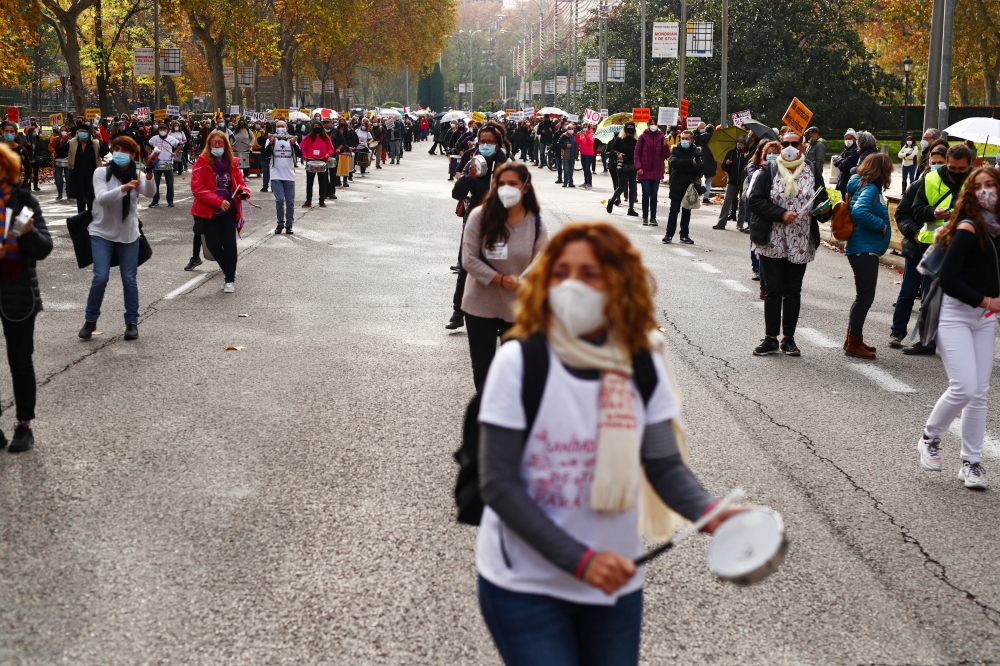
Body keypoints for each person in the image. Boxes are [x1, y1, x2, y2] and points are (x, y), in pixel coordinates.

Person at [476, 221, 745, 666]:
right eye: (561, 272)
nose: (571, 286)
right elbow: (498, 483)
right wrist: (581, 561)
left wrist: (709, 510)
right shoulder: (519, 361)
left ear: (618, 283)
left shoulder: (641, 361)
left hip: (614, 580)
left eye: (590, 274)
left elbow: (662, 464)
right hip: (525, 582)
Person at [917, 166, 1000, 489]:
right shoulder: (967, 227)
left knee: (979, 393)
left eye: (991, 184)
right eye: (978, 186)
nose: (986, 191)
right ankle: (930, 438)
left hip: (984, 320)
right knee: (964, 386)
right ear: (970, 192)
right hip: (955, 315)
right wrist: (987, 301)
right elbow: (948, 280)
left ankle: (972, 463)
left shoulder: (997, 229)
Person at [461, 162, 548, 391]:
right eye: (501, 183)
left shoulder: (536, 223)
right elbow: (468, 259)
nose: (506, 189)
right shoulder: (480, 216)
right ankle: (486, 416)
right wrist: (500, 279)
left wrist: (529, 281)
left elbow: (544, 263)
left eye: (513, 184)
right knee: (484, 371)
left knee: (517, 372)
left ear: (525, 188)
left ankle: (513, 419)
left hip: (518, 307)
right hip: (480, 305)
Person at [748, 131, 822, 356]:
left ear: (801, 146)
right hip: (772, 240)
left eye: (795, 143)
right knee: (773, 289)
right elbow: (755, 201)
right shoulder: (768, 171)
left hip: (800, 241)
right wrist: (781, 214)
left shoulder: (811, 171)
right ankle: (770, 337)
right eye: (786, 143)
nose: (790, 147)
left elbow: (822, 200)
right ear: (780, 146)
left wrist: (826, 210)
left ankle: (789, 338)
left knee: (793, 290)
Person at [0, 141, 52, 452]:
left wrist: (29, 232)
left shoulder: (24, 202)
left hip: (18, 291)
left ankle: (24, 425)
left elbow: (44, 248)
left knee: (20, 361)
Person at [78, 135, 154, 342]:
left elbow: (150, 193)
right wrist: (124, 187)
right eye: (117, 148)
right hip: (101, 232)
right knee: (100, 277)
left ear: (132, 155)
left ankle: (131, 323)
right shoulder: (101, 172)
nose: (121, 153)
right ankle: (90, 319)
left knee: (129, 279)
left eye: (126, 150)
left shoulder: (136, 173)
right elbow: (102, 198)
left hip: (128, 234)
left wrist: (149, 175)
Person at [901, 143, 975, 354]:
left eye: (962, 169)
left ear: (970, 164)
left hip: (965, 247)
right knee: (929, 295)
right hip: (933, 244)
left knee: (961, 298)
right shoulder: (930, 178)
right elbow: (915, 209)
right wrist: (933, 212)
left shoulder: (977, 181)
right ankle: (927, 341)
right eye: (953, 168)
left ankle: (958, 342)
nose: (958, 173)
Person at [889, 145, 948, 349]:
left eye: (941, 162)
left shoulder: (956, 189)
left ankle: (927, 338)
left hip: (941, 250)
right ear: (928, 162)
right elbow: (901, 214)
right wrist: (914, 232)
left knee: (930, 295)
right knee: (908, 290)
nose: (937, 166)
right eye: (934, 162)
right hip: (917, 248)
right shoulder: (917, 185)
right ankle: (897, 331)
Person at [843, 153, 893, 358]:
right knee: (865, 298)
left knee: (862, 297)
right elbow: (859, 212)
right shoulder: (871, 188)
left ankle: (853, 339)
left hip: (863, 247)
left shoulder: (863, 186)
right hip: (864, 248)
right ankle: (854, 342)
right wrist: (881, 225)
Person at [190, 130, 250, 294]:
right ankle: (228, 268)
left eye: (220, 143)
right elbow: (197, 189)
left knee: (230, 244)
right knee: (213, 246)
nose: (217, 146)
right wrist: (217, 201)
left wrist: (244, 192)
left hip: (229, 210)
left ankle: (229, 279)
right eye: (214, 143)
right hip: (209, 211)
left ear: (226, 145)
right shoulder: (201, 163)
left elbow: (241, 184)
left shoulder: (233, 163)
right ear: (209, 145)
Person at [661, 130, 702, 245]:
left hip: (689, 187)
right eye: (682, 138)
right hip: (676, 185)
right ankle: (668, 235)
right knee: (673, 211)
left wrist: (683, 167)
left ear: (692, 140)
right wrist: (690, 162)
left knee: (686, 212)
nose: (684, 140)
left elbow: (698, 168)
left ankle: (684, 235)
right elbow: (674, 164)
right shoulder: (675, 150)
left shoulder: (697, 152)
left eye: (687, 139)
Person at [262, 120, 300, 235]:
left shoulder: (291, 139)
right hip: (276, 174)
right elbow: (266, 155)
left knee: (290, 202)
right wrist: (270, 142)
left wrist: (294, 144)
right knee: (279, 200)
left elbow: (300, 155)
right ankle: (280, 223)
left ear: (286, 128)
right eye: (278, 126)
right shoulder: (272, 140)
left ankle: (289, 225)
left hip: (289, 175)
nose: (280, 128)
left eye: (282, 126)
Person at [634, 119, 669, 227]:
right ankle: (645, 217)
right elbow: (637, 154)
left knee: (654, 195)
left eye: (655, 124)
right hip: (644, 170)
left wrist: (666, 145)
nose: (653, 126)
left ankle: (653, 217)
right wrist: (638, 167)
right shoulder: (642, 137)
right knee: (646, 193)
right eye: (651, 124)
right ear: (648, 125)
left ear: (657, 125)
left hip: (657, 170)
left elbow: (667, 155)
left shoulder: (662, 137)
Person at [67, 123, 105, 213]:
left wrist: (101, 141)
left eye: (84, 132)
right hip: (77, 175)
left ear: (89, 133)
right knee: (80, 202)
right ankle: (82, 223)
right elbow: (60, 150)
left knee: (91, 202)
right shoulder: (72, 143)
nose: (81, 133)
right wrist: (62, 141)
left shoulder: (94, 144)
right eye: (80, 131)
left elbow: (104, 152)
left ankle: (91, 222)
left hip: (91, 175)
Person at [713, 136, 749, 230]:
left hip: (743, 181)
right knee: (727, 200)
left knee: (742, 202)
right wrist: (727, 164)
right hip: (732, 180)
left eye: (742, 142)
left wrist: (747, 158)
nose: (739, 143)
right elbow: (724, 167)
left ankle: (740, 224)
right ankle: (721, 223)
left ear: (745, 143)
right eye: (738, 141)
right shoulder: (731, 153)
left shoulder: (748, 154)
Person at [605, 122, 639, 217]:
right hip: (621, 165)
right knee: (621, 186)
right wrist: (618, 153)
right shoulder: (620, 139)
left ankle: (631, 209)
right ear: (625, 128)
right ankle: (611, 201)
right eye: (629, 127)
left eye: (632, 127)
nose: (630, 128)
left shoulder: (636, 140)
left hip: (633, 165)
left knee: (633, 186)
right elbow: (612, 149)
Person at [300, 120, 334, 209]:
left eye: (318, 126)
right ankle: (308, 201)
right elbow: (302, 147)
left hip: (322, 161)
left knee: (322, 183)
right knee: (309, 183)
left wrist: (328, 154)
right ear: (312, 127)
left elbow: (331, 148)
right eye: (315, 126)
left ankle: (321, 201)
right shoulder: (308, 137)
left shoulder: (326, 138)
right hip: (311, 161)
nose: (317, 127)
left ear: (321, 127)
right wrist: (304, 155)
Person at [147, 124, 177, 208]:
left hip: (168, 163)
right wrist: (150, 155)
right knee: (155, 183)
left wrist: (175, 152)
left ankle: (170, 201)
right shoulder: (154, 139)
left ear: (167, 130)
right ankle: (155, 200)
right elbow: (147, 146)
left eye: (164, 129)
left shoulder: (171, 139)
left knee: (170, 183)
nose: (162, 130)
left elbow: (179, 144)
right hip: (157, 164)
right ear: (158, 130)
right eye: (160, 129)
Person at [694, 124, 716, 204]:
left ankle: (697, 195)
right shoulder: (714, 139)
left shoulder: (698, 138)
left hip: (700, 160)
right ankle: (705, 197)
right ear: (713, 131)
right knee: (708, 180)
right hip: (710, 161)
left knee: (698, 179)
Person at [50, 125, 71, 200]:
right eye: (62, 130)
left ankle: (69, 194)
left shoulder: (71, 141)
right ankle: (60, 194)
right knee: (58, 178)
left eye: (65, 130)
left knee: (69, 178)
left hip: (68, 161)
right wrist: (61, 142)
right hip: (58, 160)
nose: (63, 132)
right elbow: (55, 149)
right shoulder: (56, 139)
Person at [556, 123, 577, 188]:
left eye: (572, 129)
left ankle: (570, 182)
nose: (571, 130)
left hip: (572, 155)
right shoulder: (564, 136)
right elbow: (558, 144)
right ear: (567, 129)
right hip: (565, 155)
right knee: (566, 169)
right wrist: (566, 145)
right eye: (569, 129)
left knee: (571, 169)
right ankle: (565, 182)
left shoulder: (575, 136)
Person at [25, 125, 45, 192]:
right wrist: (27, 145)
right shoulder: (26, 139)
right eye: (33, 131)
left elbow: (42, 148)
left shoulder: (37, 139)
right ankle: (28, 186)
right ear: (30, 132)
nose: (34, 133)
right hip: (29, 158)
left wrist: (40, 154)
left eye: (35, 131)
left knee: (36, 172)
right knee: (29, 173)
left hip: (36, 158)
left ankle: (35, 186)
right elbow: (24, 149)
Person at [577, 123, 596, 189]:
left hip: (589, 153)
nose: (584, 128)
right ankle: (585, 182)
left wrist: (586, 136)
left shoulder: (592, 134)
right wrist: (577, 136)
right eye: (583, 127)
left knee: (587, 168)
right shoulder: (582, 134)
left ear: (589, 127)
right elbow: (578, 142)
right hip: (583, 153)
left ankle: (589, 182)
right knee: (584, 168)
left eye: (586, 127)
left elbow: (591, 143)